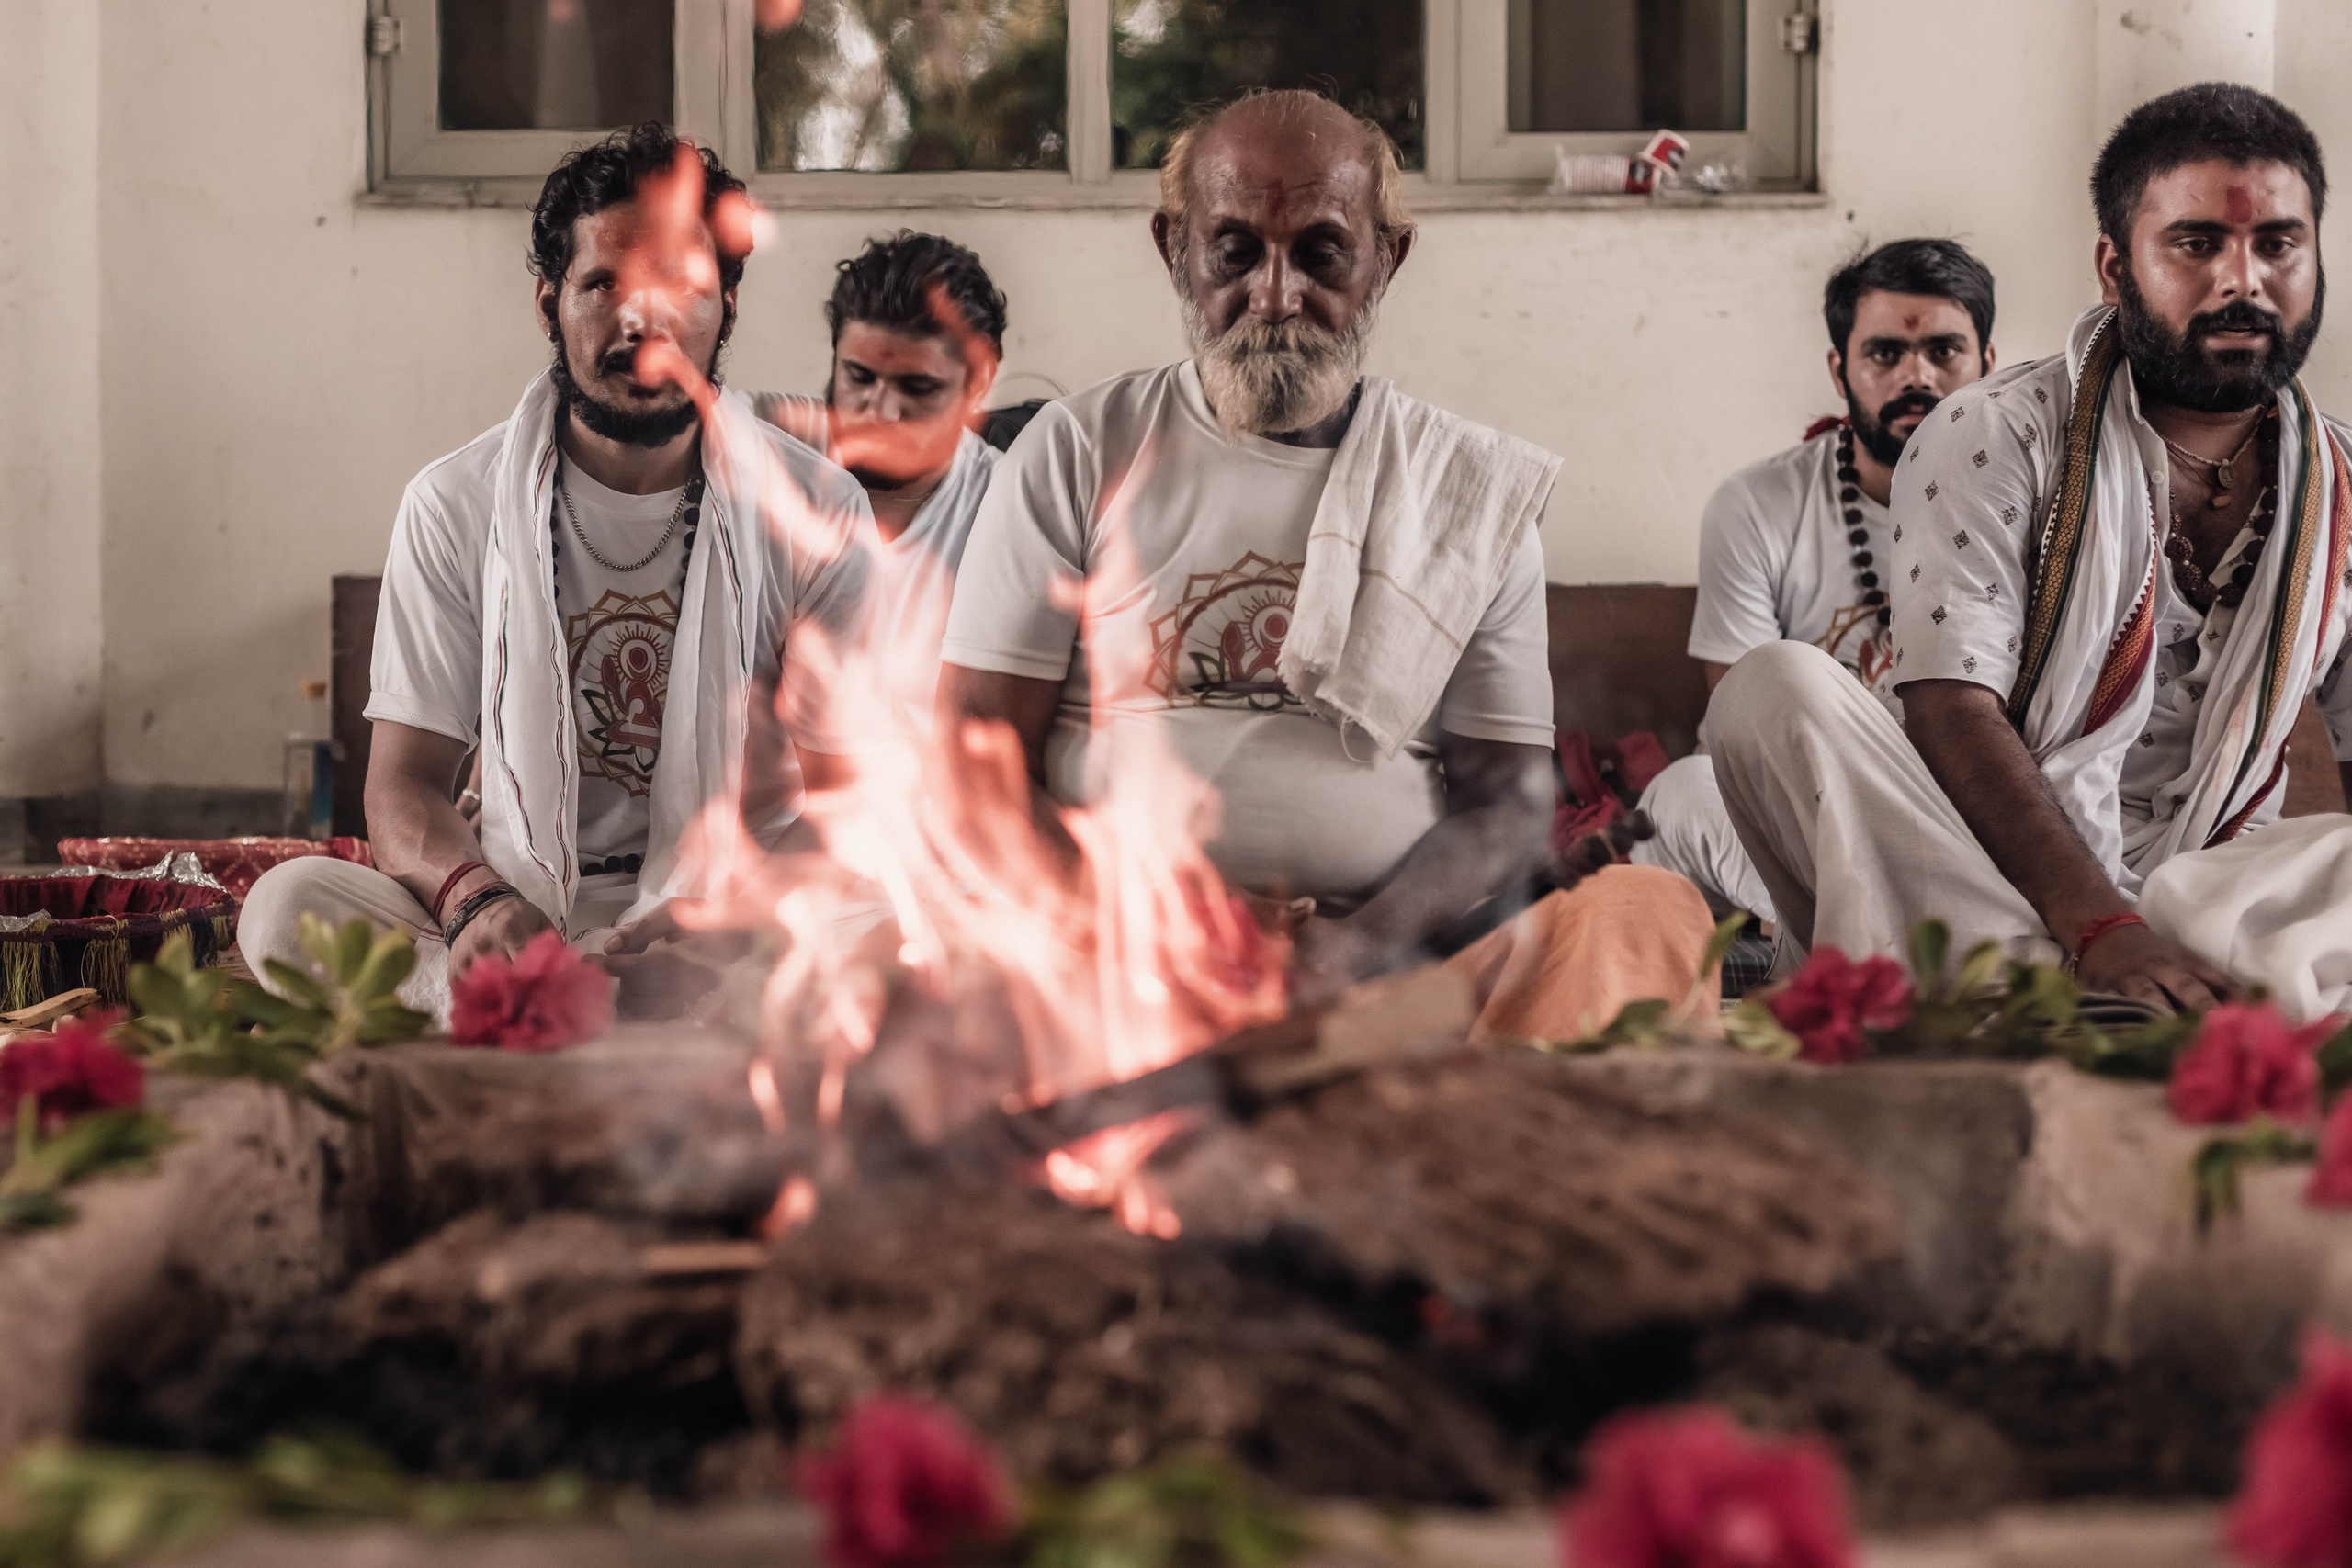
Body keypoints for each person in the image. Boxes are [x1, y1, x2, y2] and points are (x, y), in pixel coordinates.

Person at [936, 89, 1716, 1040]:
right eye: (1234, 250)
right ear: (1174, 248)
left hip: (1390, 968)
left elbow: (1509, 806)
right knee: (890, 947)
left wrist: (1362, 945)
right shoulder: (1074, 449)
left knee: (1644, 911)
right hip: (1104, 957)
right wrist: (1139, 930)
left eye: (1321, 252)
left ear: (1387, 259)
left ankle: (1475, 1107)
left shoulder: (1468, 496)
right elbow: (971, 761)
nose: (1275, 295)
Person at [1706, 84, 2352, 1017]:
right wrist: (2103, 926)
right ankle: (2068, 978)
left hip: (2215, 888)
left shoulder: (2341, 484)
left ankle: (2044, 988)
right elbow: (1951, 709)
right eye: (2197, 243)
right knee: (1773, 686)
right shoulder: (1994, 433)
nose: (2242, 281)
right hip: (1987, 867)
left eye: (2277, 244)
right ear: (2115, 266)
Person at [240, 125, 872, 1018]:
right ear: (550, 304)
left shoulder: (819, 508)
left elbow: (851, 797)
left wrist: (733, 918)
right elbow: (404, 783)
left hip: (734, 916)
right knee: (285, 906)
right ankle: (599, 1008)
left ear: (726, 307)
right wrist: (474, 901)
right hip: (523, 912)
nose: (641, 321)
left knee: (909, 931)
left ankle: (549, 1017)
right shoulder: (452, 503)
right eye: (603, 284)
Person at [1635, 240, 1997, 924]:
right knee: (1681, 792)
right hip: (1799, 808)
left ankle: (1874, 938)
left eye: (1944, 351)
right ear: (1840, 370)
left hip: (1959, 807)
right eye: (1885, 353)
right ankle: (1896, 934)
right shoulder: (1757, 505)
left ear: (1988, 365)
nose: (1916, 376)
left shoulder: (2033, 508)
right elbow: (1745, 727)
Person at [753, 232, 1006, 728]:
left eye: (917, 387)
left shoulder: (1008, 509)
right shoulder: (768, 463)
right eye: (859, 377)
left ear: (978, 384)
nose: (882, 412)